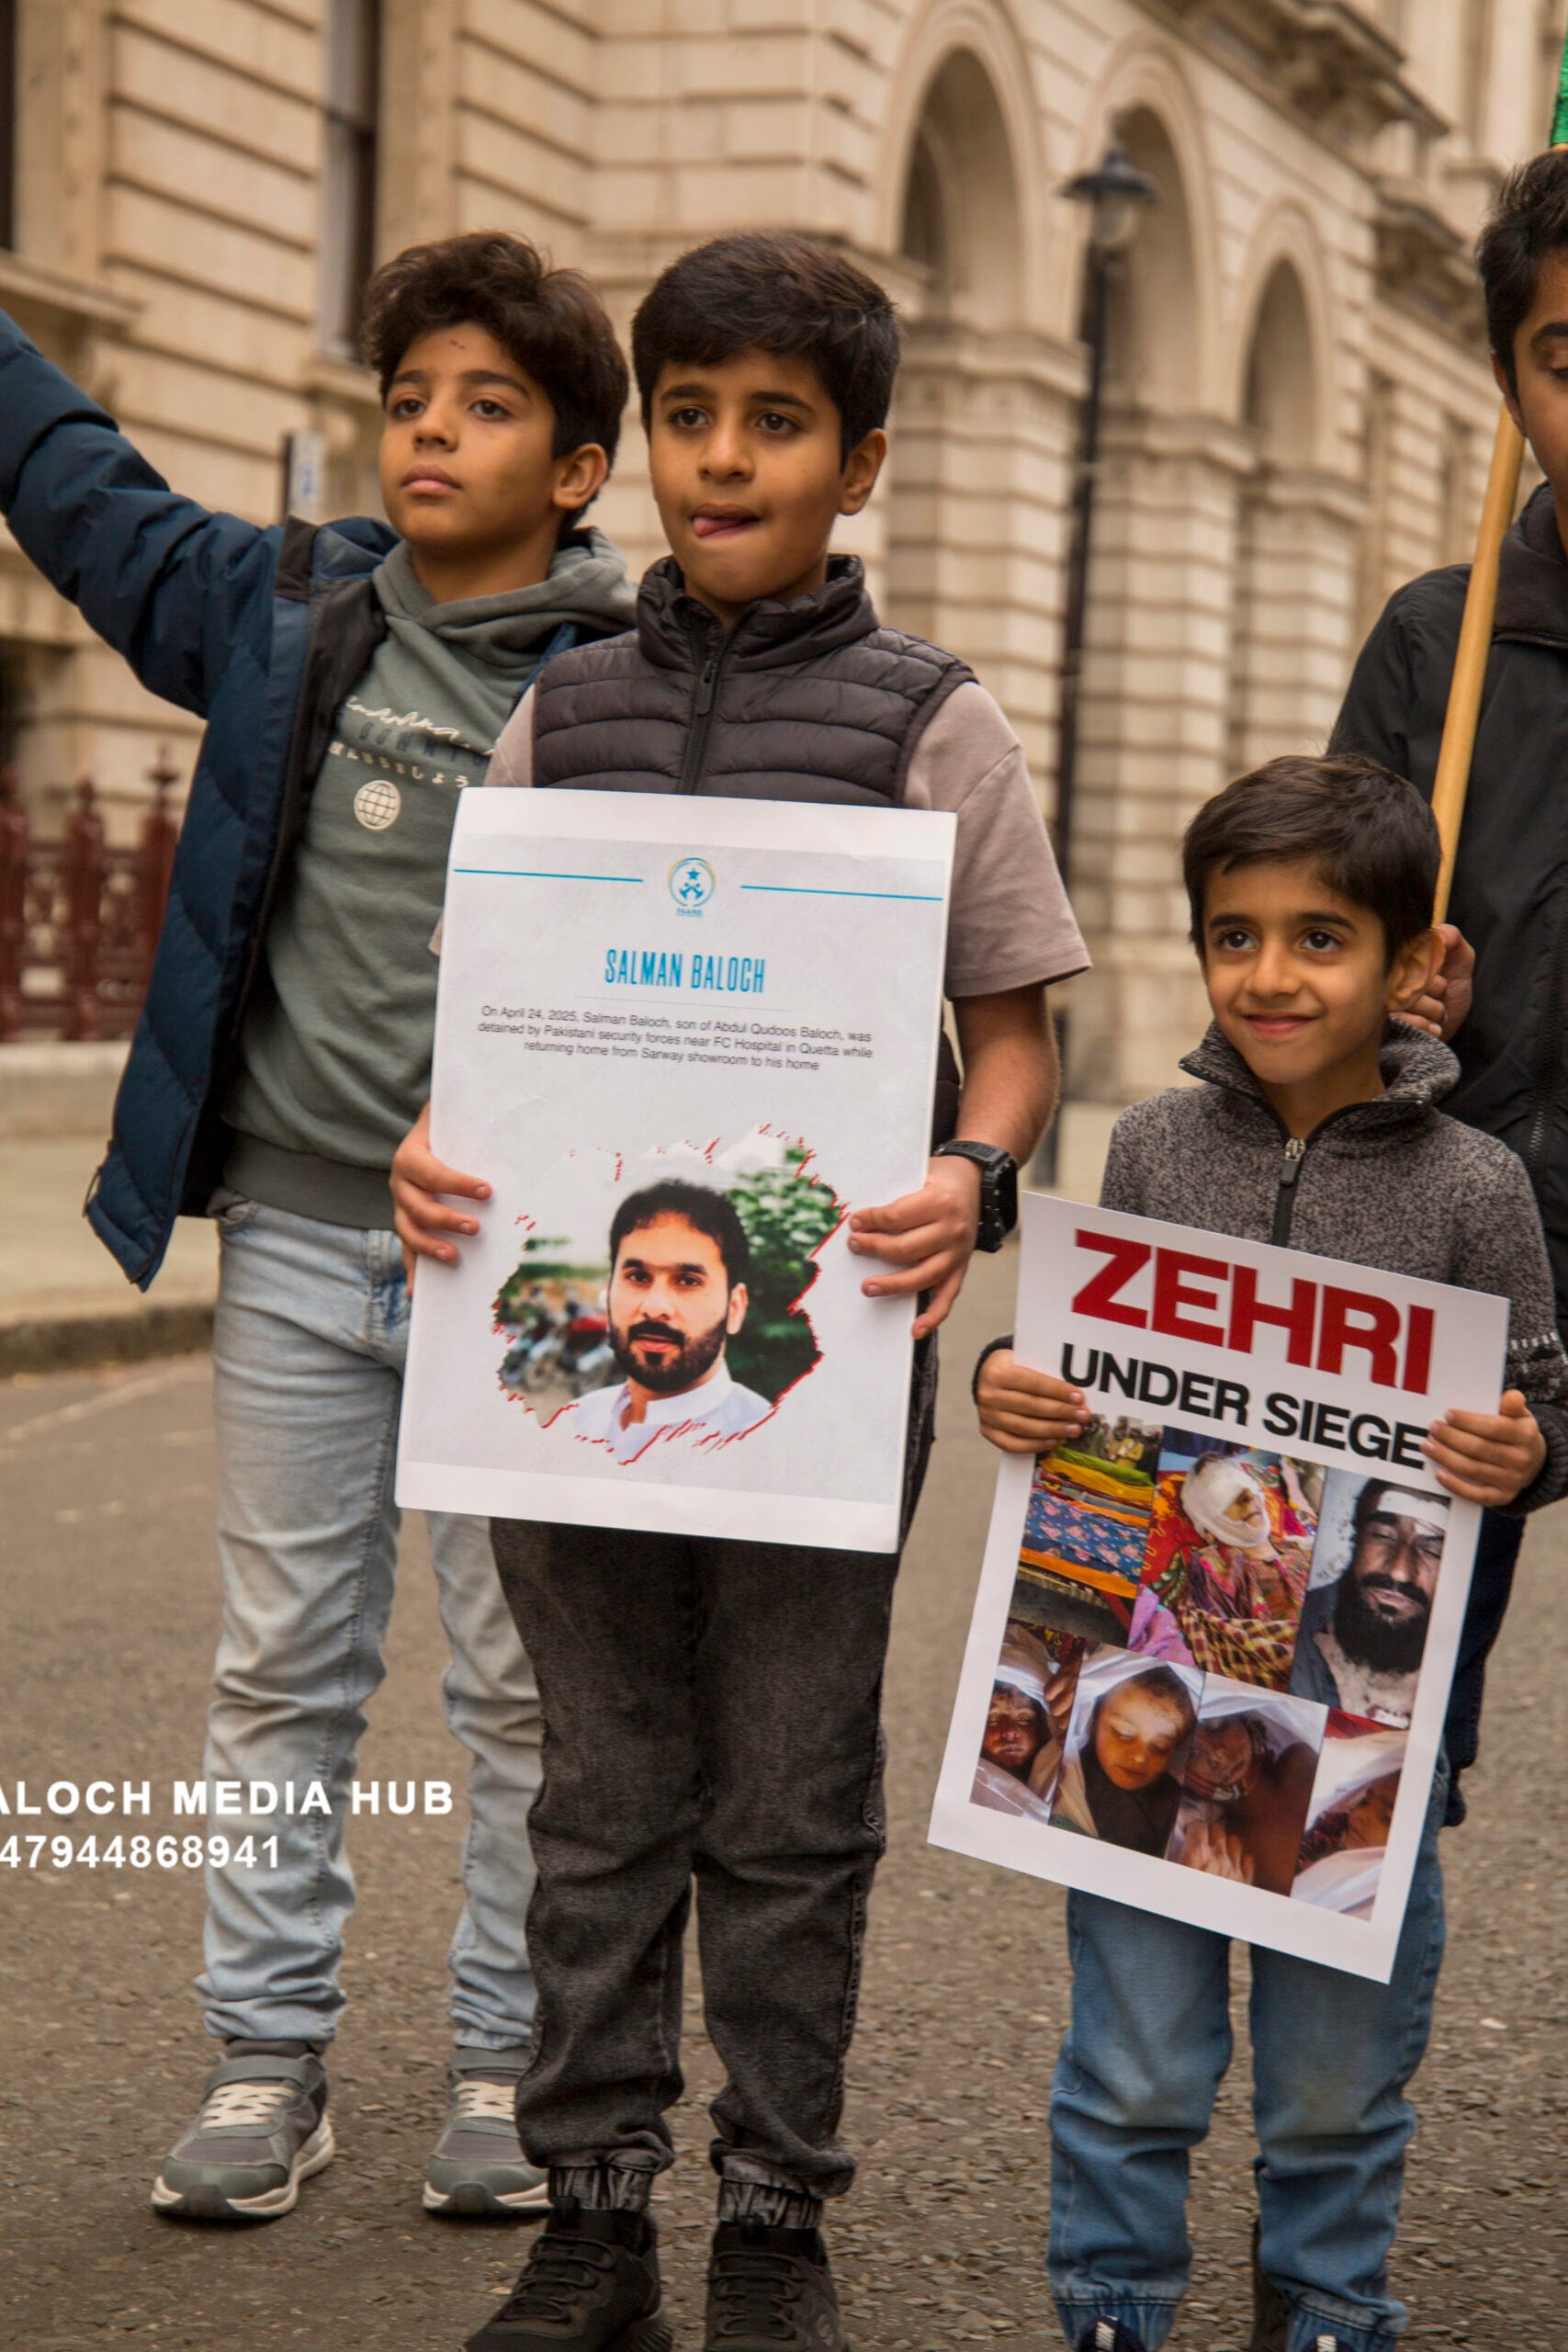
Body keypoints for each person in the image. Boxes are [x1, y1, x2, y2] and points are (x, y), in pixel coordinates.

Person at [392, 231, 1087, 2352]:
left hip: (821, 1358)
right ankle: (588, 2203)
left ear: (851, 462)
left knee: (786, 1796)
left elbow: (1013, 1027)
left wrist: (970, 1174)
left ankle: (772, 2201)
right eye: (687, 415)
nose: (719, 456)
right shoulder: (558, 706)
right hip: (563, 1369)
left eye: (770, 422)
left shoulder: (927, 719)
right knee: (595, 1788)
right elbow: (482, 1030)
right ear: (647, 446)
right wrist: (435, 1156)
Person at [0, 232, 638, 2223]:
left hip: (522, 1272)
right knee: (283, 1663)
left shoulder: (635, 688)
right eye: (408, 396)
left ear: (579, 467)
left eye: (489, 402)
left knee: (523, 1688)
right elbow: (84, 493)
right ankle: (263, 2059)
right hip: (287, 1237)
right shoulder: (283, 613)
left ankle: (499, 2061)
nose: (432, 427)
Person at [974, 753, 1568, 2352]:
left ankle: (1324, 2302)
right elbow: (1088, 1387)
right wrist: (1008, 1389)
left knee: (1331, 2070)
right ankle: (1111, 2303)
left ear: (1403, 964)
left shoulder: (1473, 1186)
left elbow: (1544, 1395)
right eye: (1234, 936)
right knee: (1134, 2055)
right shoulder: (1157, 1151)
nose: (1270, 975)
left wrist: (1525, 1453)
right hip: (1149, 1677)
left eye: (1319, 939)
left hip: (1362, 1718)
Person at [1332, 149, 1568, 1823]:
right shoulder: (1441, 639)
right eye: (1564, 356)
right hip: (1464, 1241)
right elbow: (1300, 936)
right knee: (1388, 1728)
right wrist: (1372, 997)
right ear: (1508, 380)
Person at [562, 1181, 771, 1461]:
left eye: (688, 1281)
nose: (654, 1307)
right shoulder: (577, 1420)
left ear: (734, 1308)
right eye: (637, 1277)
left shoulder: (764, 1442)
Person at [1289, 1481, 1450, 1725]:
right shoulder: (1296, 1625)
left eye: (1433, 1551)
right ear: (1354, 1536)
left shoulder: (1451, 1653)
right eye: (1383, 1537)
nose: (1399, 1572)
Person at [1049, 1665, 1197, 1857]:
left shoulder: (1172, 1801)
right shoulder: (1071, 1764)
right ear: (1093, 1720)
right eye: (1122, 1733)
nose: (1140, 1756)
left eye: (1161, 1747)